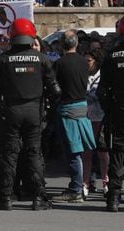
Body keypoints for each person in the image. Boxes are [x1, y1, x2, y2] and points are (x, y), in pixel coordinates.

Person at [0, 19, 60, 210]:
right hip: (34, 110)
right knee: (34, 153)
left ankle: (5, 198)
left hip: (11, 110)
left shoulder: (3, 60)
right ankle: (38, 198)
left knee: (9, 154)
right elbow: (56, 90)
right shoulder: (42, 59)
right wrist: (49, 109)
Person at [52, 30, 96, 204]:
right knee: (81, 151)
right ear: (76, 44)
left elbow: (54, 87)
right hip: (82, 108)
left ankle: (76, 188)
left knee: (72, 152)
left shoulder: (59, 63)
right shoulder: (84, 62)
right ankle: (80, 185)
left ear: (62, 44)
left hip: (67, 109)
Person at [96, 17, 124, 212]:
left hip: (118, 112)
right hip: (117, 110)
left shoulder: (112, 55)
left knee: (117, 156)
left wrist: (110, 110)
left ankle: (113, 197)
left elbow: (102, 90)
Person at [82, 49, 109, 198]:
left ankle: (106, 181)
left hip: (100, 116)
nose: (86, 64)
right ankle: (85, 182)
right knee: (86, 152)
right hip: (86, 117)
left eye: (89, 61)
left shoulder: (102, 76)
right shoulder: (83, 75)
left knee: (102, 152)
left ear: (96, 61)